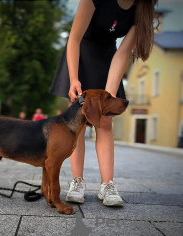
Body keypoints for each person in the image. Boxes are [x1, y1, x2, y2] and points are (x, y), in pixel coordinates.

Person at [49, 0, 157, 206]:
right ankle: (77, 182)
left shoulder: (142, 8)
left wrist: (109, 95)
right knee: (78, 120)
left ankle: (107, 185)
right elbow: (74, 38)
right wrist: (73, 78)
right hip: (80, 54)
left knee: (106, 122)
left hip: (108, 57)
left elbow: (122, 53)